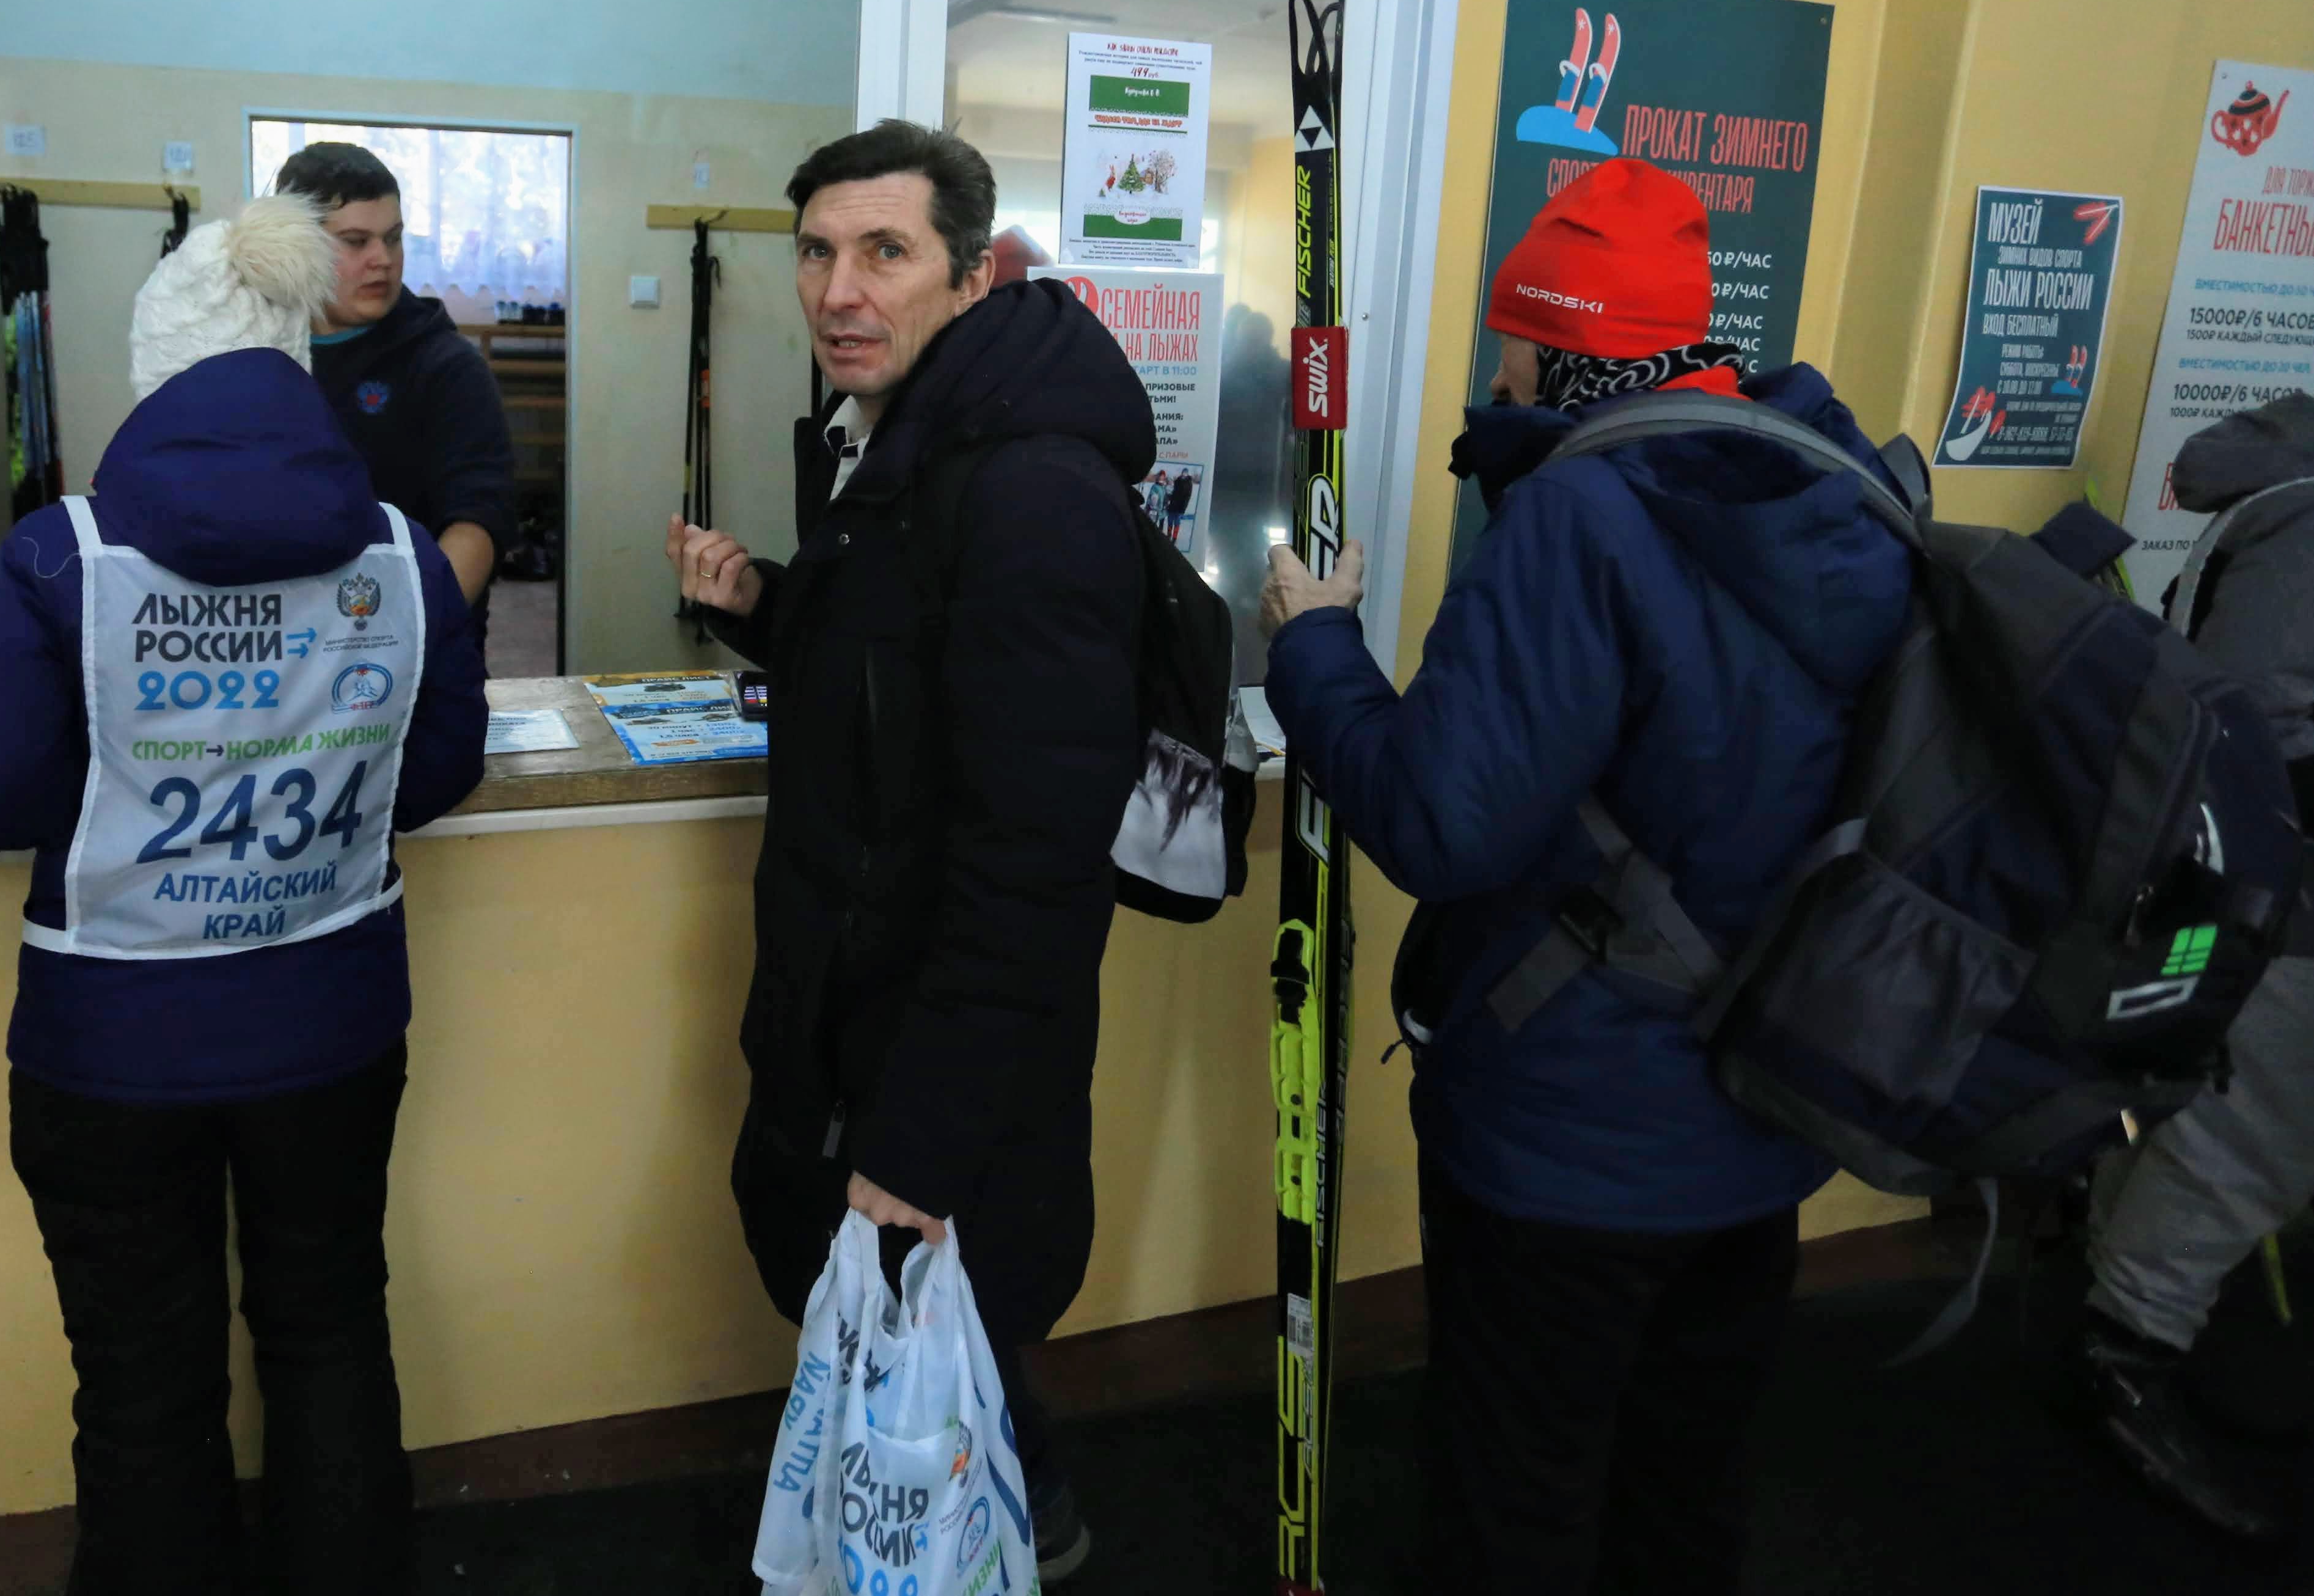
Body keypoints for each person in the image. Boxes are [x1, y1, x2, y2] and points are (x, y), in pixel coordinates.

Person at [1258, 157, 1914, 1595]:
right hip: (1766, 1096)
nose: (1491, 369)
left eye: (1506, 335)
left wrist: (1313, 648)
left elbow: (1440, 823)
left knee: (1519, 1494)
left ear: (1549, 341)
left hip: (1570, 1134)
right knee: (1682, 1482)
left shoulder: (1580, 517)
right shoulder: (1834, 483)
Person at [0, 191, 489, 1594]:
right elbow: (433, 773)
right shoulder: (401, 555)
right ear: (295, 362)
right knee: (329, 1331)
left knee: (142, 1379)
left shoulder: (66, 555)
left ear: (152, 376)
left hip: (111, 1051)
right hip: (331, 1027)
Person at [665, 119, 1154, 1583]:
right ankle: (1026, 1522)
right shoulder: (900, 445)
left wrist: (918, 1148)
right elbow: (907, 689)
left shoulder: (1028, 490)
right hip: (856, 1032)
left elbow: (1034, 860)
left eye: (885, 252)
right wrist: (766, 607)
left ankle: (1028, 1536)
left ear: (972, 273)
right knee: (930, 1403)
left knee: (942, 1396)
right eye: (817, 253)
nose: (839, 292)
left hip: (938, 1081)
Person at [2079, 390, 2314, 1541]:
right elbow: (2246, 724)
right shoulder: (2304, 528)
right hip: (2276, 901)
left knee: (2202, 1126)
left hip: (2251, 890)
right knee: (2244, 1143)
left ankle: (2117, 1329)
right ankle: (2125, 1357)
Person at [273, 141, 518, 615]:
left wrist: (404, 629)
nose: (383, 259)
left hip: (414, 633)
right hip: (283, 635)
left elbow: (479, 520)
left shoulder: (447, 365)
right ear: (296, 247)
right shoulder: (254, 354)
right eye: (356, 241)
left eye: (393, 237)